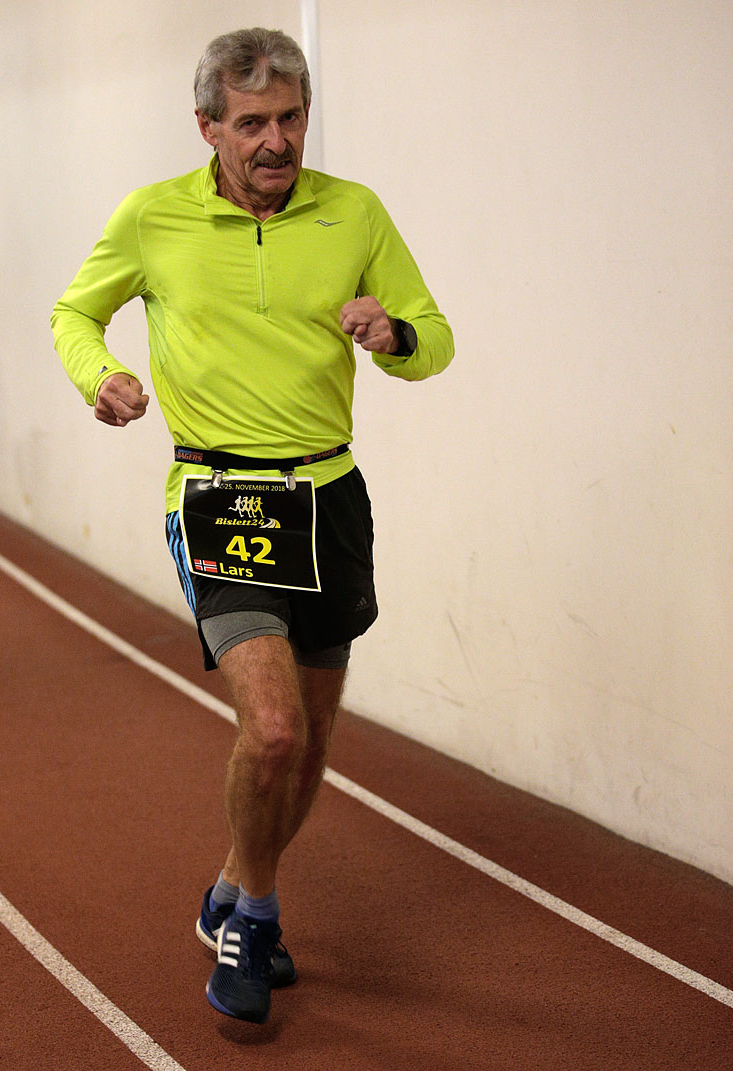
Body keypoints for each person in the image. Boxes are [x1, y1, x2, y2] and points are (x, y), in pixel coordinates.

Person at [52, 27, 453, 1024]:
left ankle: (231, 885)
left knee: (307, 746)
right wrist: (98, 375)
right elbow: (73, 313)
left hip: (330, 500)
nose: (277, 142)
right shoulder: (153, 217)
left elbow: (434, 339)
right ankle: (256, 920)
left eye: (291, 118)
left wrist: (394, 332)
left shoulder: (355, 211)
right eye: (253, 124)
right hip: (219, 501)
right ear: (208, 128)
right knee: (270, 728)